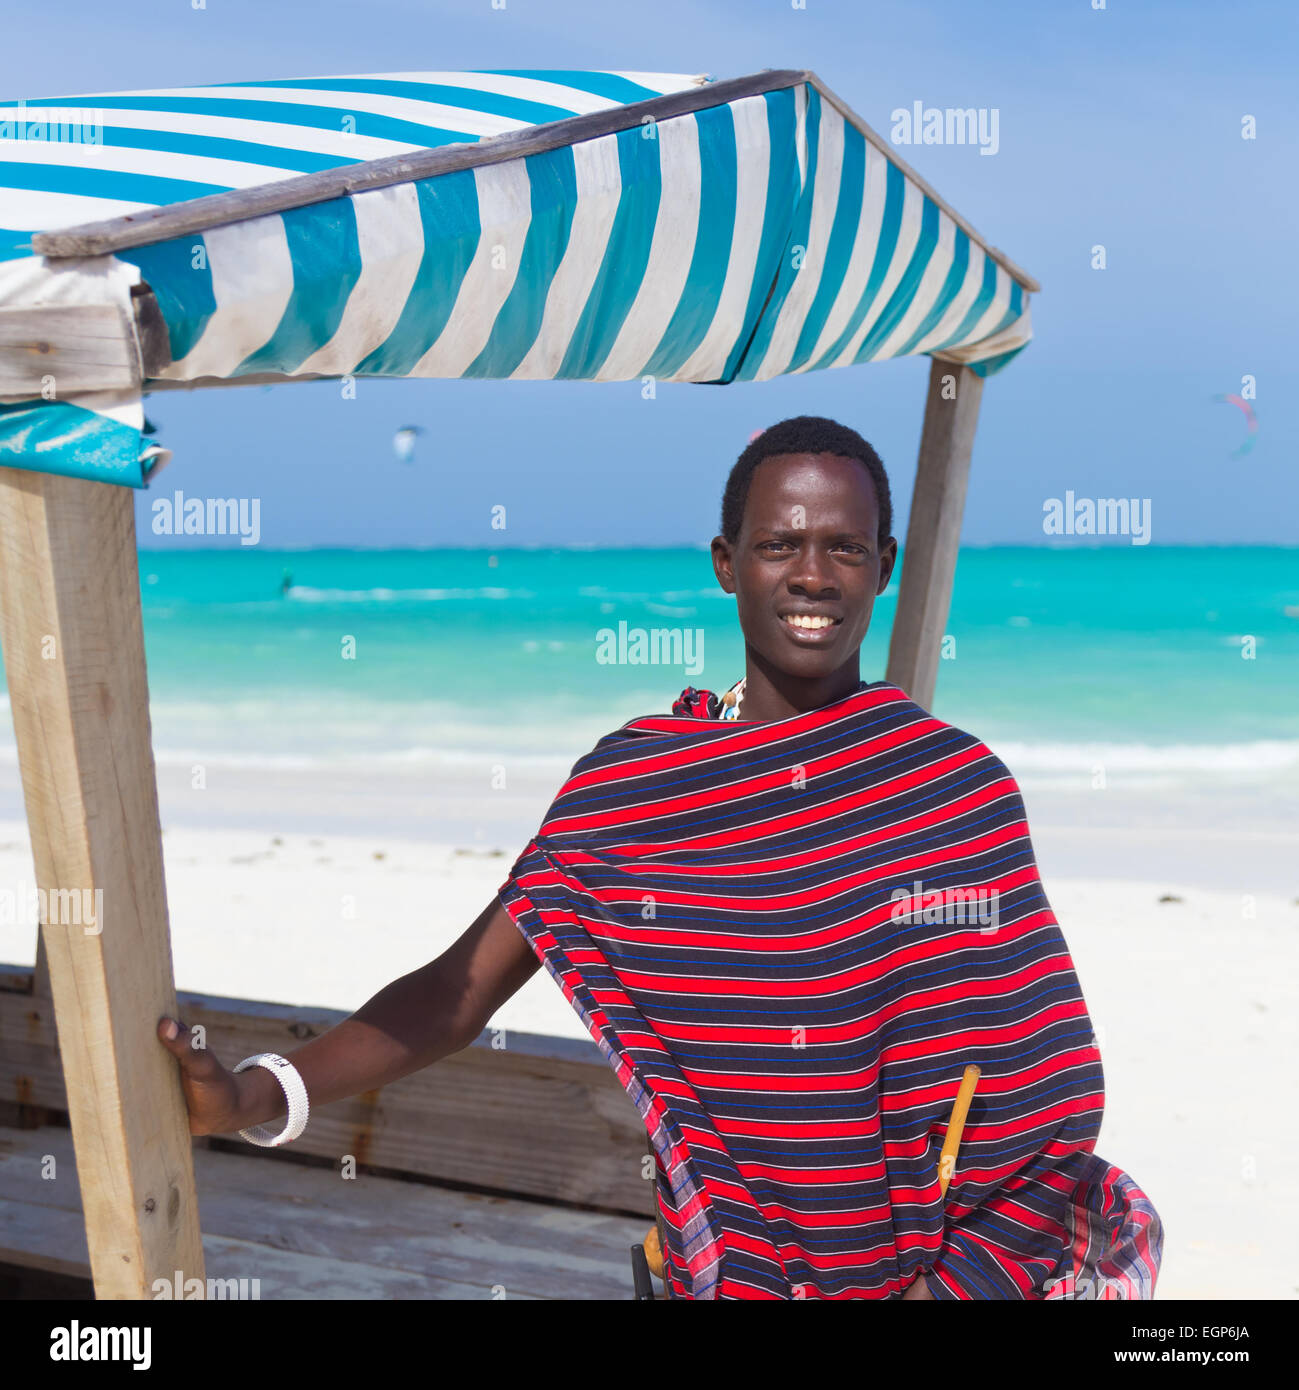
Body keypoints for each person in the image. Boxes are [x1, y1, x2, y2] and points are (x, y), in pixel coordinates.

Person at [158, 415, 1160, 1300]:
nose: (812, 575)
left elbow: (1044, 1081)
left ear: (886, 562)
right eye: (779, 544)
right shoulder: (634, 791)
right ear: (726, 561)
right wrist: (254, 1094)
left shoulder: (952, 786)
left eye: (844, 547)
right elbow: (455, 993)